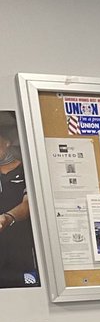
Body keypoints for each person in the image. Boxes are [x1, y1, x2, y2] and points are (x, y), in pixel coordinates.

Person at [0, 116, 38, 289]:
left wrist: (8, 217)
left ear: (7, 142)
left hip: (21, 251)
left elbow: (28, 204)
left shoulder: (26, 169)